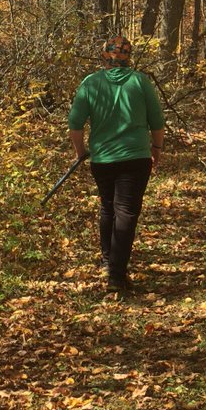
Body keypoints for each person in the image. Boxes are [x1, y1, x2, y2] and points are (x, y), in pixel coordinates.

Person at [68, 36, 165, 294]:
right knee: (126, 212)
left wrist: (80, 152)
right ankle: (116, 275)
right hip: (136, 157)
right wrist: (157, 148)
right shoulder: (140, 81)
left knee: (108, 207)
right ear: (128, 57)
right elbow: (157, 120)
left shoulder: (90, 83)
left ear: (104, 56)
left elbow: (75, 124)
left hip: (103, 159)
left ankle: (108, 260)